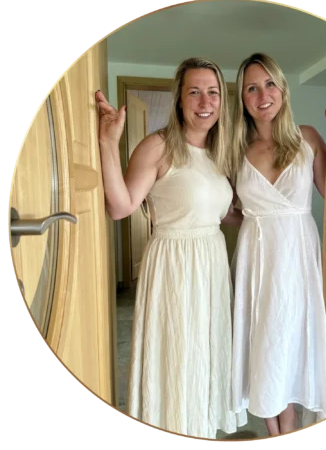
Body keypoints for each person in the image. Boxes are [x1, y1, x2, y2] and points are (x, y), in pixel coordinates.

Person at [95, 57, 247, 439]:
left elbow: (221, 213)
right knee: (176, 352)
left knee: (204, 353)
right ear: (179, 99)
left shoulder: (220, 152)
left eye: (213, 92)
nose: (205, 101)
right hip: (174, 265)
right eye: (194, 92)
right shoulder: (158, 146)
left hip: (211, 264)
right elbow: (120, 206)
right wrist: (108, 143)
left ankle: (200, 429)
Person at [227, 52, 326, 436]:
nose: (263, 95)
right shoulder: (235, 150)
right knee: (263, 343)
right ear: (242, 99)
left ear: (283, 89)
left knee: (290, 339)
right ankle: (276, 428)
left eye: (270, 84)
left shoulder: (308, 138)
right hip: (257, 258)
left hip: (297, 257)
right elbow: (228, 210)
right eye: (252, 88)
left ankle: (287, 425)